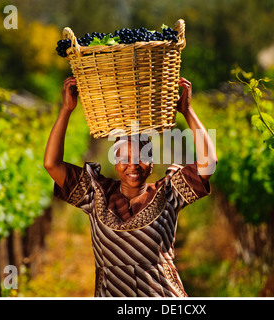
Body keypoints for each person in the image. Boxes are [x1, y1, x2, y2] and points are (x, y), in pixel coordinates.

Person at [43, 76, 217, 297]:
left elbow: (209, 162)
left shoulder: (169, 192)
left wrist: (187, 111)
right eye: (124, 158)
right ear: (115, 163)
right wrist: (66, 109)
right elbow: (52, 164)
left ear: (152, 161)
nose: (133, 165)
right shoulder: (96, 193)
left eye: (141, 157)